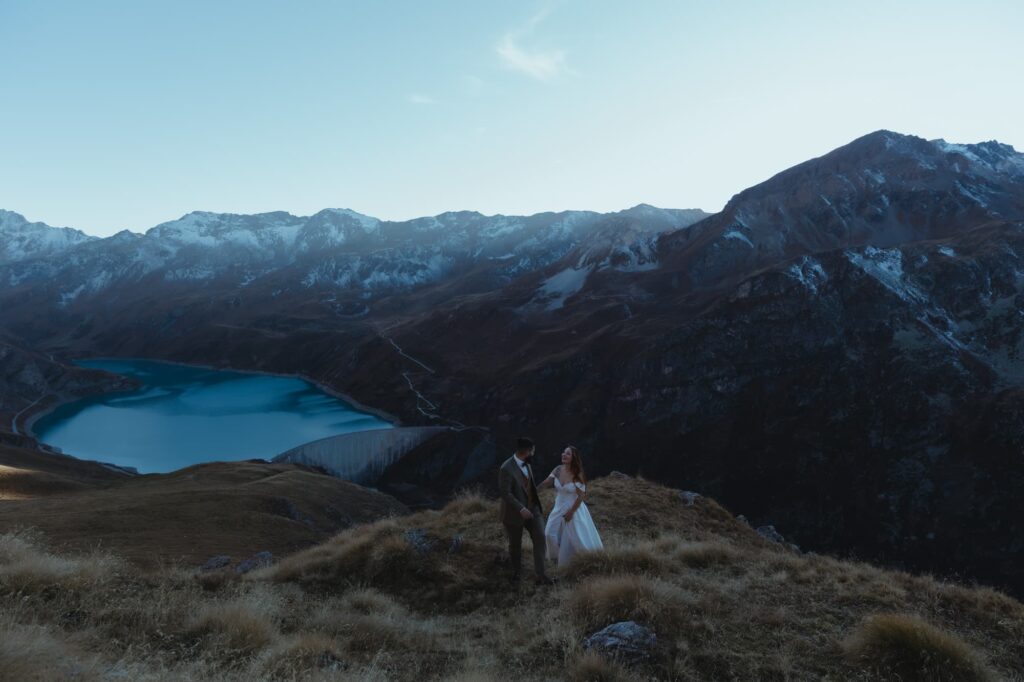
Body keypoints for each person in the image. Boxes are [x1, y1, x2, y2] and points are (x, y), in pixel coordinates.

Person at [498, 437, 553, 585]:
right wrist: (521, 508)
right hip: (513, 513)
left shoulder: (527, 463)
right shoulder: (506, 468)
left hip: (533, 509)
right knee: (515, 545)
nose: (534, 454)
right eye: (533, 451)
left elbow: (528, 487)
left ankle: (541, 575)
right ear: (527, 452)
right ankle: (516, 573)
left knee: (541, 537)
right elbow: (505, 493)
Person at [539, 445, 603, 566]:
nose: (564, 455)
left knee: (575, 538)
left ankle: (585, 561)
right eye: (563, 452)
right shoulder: (557, 469)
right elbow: (547, 482)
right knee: (548, 533)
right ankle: (556, 557)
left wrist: (571, 512)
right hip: (558, 506)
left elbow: (581, 495)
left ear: (573, 458)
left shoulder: (577, 474)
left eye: (567, 453)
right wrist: (533, 490)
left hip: (573, 507)